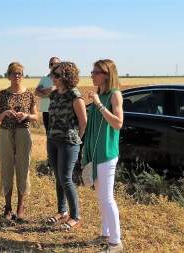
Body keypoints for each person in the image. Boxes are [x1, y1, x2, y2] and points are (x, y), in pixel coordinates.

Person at [83, 59, 124, 253]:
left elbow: (117, 123)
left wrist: (99, 105)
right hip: (95, 151)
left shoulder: (115, 95)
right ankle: (106, 234)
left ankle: (116, 243)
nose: (92, 74)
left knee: (107, 198)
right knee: (101, 197)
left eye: (96, 72)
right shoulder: (99, 94)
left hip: (106, 153)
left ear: (106, 75)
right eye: (92, 71)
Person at [0, 62, 38, 221]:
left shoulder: (30, 94)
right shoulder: (3, 94)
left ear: (23, 75)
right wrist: (5, 113)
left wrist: (26, 116)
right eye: (13, 73)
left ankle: (20, 207)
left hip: (23, 133)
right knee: (6, 168)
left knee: (23, 168)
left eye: (19, 73)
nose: (17, 76)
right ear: (8, 76)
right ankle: (7, 207)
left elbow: (36, 116)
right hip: (5, 133)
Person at [45, 62, 87, 230]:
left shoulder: (75, 95)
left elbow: (83, 122)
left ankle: (75, 216)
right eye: (52, 74)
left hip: (68, 143)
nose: (53, 77)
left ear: (66, 77)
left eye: (57, 75)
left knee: (66, 179)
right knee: (58, 176)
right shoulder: (55, 94)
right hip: (52, 139)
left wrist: (76, 140)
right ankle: (61, 212)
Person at [35, 57, 60, 135]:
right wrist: (49, 94)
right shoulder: (45, 77)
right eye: (51, 64)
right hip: (46, 110)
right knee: (48, 135)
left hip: (59, 110)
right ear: (49, 66)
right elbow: (36, 92)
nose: (54, 65)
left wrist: (43, 90)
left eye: (56, 64)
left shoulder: (63, 77)